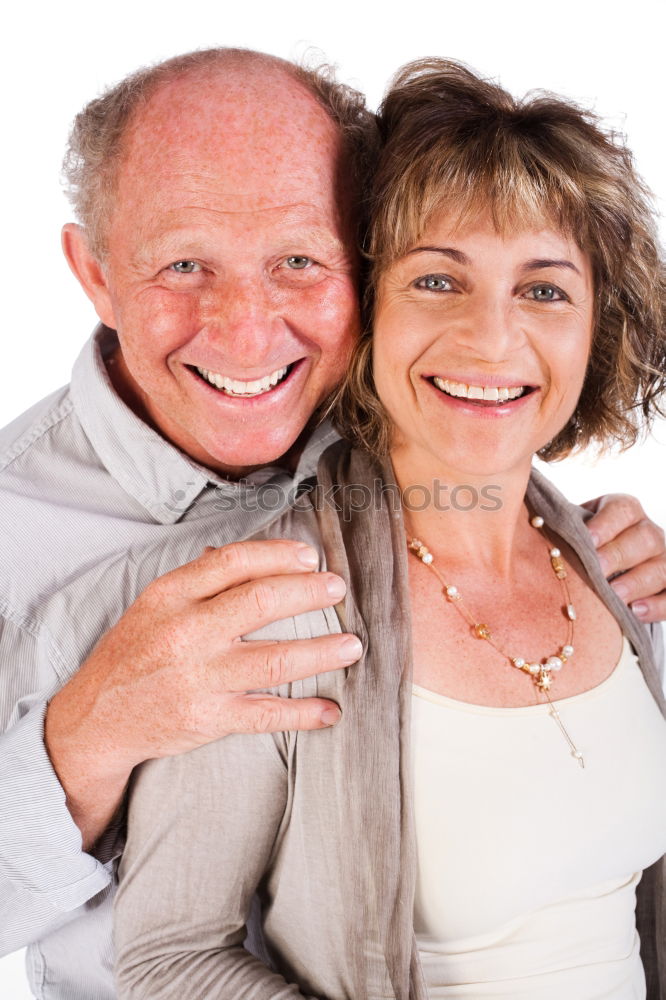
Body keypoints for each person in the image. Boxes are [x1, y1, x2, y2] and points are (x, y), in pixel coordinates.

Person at [0, 47, 663, 1000]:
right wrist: (83, 743)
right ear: (95, 273)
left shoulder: (431, 435)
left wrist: (593, 555)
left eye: (298, 262)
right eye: (183, 264)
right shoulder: (36, 539)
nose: (246, 332)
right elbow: (171, 955)